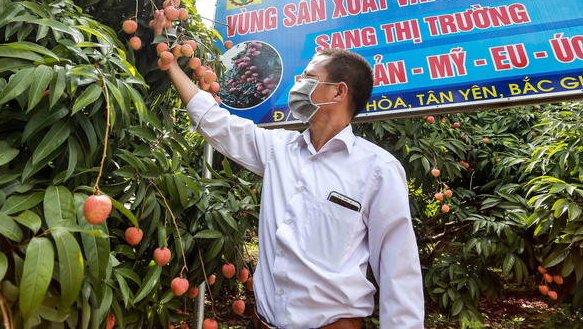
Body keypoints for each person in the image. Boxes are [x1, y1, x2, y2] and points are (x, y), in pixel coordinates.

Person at [165, 47, 424, 329]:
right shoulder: (279, 149)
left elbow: (399, 271)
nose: (298, 83)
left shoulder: (377, 169)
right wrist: (171, 65)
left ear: (338, 92)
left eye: (309, 77)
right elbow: (215, 122)